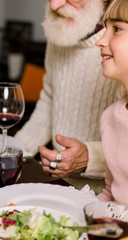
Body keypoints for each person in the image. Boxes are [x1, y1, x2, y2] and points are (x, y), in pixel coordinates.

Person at [14, 0, 124, 188]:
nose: (55, 5)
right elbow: (50, 99)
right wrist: (15, 151)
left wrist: (88, 157)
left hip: (106, 191)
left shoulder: (120, 50)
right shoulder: (61, 29)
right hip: (60, 182)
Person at [95, 0, 128, 207]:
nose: (100, 41)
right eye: (104, 28)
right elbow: (111, 193)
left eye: (116, 29)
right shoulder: (111, 118)